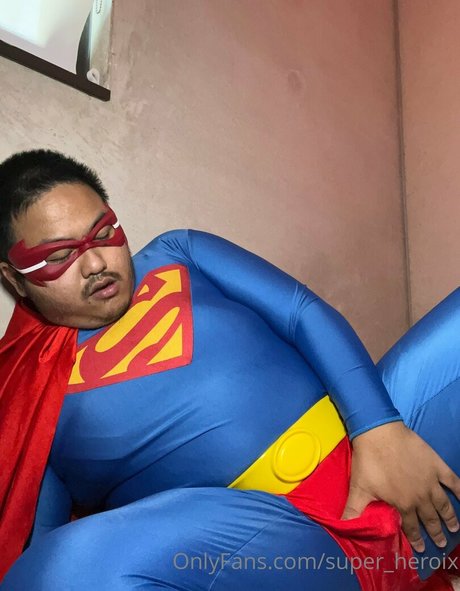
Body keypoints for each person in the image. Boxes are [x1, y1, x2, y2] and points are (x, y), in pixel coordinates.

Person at [0, 149, 458, 590]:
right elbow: (41, 558)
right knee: (52, 574)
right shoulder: (33, 400)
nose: (96, 263)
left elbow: (301, 313)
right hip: (278, 556)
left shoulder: (178, 252)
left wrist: (380, 427)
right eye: (58, 257)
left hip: (391, 460)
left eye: (103, 233)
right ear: (13, 278)